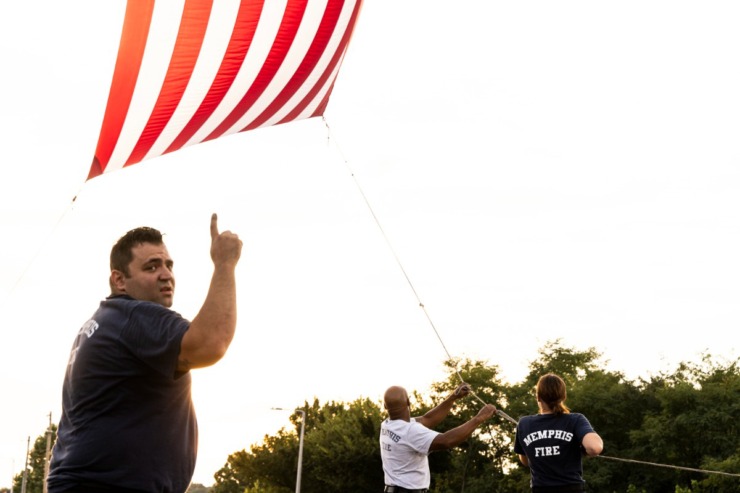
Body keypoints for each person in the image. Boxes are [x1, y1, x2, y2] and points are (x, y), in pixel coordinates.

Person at [47, 213, 242, 493]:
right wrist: (225, 264)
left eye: (168, 264)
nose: (166, 274)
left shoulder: (104, 322)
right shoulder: (132, 317)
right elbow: (211, 344)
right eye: (151, 267)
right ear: (119, 280)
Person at [380, 383, 497, 493]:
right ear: (409, 402)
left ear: (385, 406)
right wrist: (479, 418)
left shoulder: (387, 425)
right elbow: (447, 441)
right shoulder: (410, 431)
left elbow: (427, 419)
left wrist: (452, 398)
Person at [513, 373, 604, 493]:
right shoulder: (575, 420)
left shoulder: (524, 423)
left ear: (538, 397)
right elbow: (594, 448)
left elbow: (525, 461)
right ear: (563, 396)